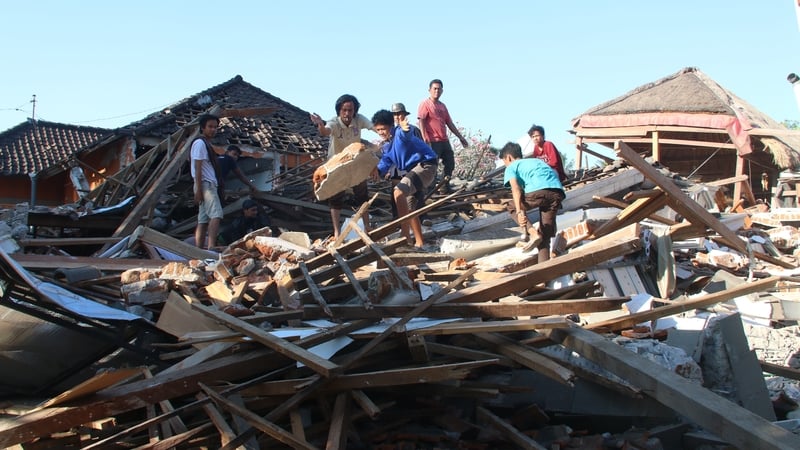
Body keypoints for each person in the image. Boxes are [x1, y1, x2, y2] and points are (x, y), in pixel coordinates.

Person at [372, 109, 438, 250]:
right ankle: (420, 243)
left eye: (383, 129)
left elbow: (405, 135)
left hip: (426, 165)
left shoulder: (399, 134)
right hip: (413, 171)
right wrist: (377, 170)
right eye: (378, 130)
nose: (381, 132)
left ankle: (405, 233)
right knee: (409, 208)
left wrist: (404, 129)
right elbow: (385, 162)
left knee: (398, 192)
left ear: (391, 126)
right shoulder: (386, 146)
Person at [309, 94, 373, 240]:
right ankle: (337, 233)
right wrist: (319, 124)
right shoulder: (334, 122)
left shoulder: (359, 120)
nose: (347, 114)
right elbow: (325, 131)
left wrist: (383, 132)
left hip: (354, 162)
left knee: (362, 195)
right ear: (339, 110)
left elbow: (372, 126)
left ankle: (367, 226)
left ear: (354, 111)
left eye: (350, 110)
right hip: (336, 165)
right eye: (344, 110)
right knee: (336, 199)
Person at [499, 142, 566, 263]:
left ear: (508, 157)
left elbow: (516, 189)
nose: (505, 165)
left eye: (504, 161)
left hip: (538, 191)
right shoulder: (536, 161)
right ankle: (544, 276)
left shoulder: (511, 167)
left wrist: (519, 213)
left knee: (511, 205)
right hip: (557, 192)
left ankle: (532, 233)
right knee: (544, 237)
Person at [417, 79, 469, 193]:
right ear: (429, 90)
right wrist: (424, 136)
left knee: (450, 163)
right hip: (432, 140)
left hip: (444, 140)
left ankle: (444, 186)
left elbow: (449, 123)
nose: (437, 91)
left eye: (439, 89)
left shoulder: (442, 106)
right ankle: (430, 190)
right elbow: (421, 120)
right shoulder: (425, 104)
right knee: (432, 166)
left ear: (442, 91)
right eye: (434, 88)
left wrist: (461, 137)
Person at [190, 114, 225, 250]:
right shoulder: (200, 143)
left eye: (215, 127)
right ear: (202, 127)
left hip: (205, 184)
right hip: (205, 184)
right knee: (216, 215)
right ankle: (211, 247)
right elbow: (197, 168)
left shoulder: (205, 144)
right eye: (210, 127)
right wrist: (198, 190)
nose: (213, 130)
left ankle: (198, 250)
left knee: (203, 220)